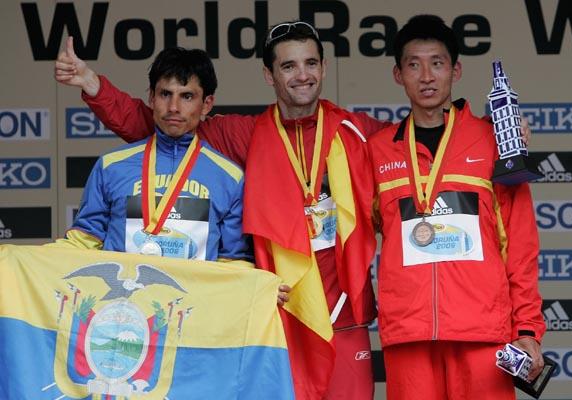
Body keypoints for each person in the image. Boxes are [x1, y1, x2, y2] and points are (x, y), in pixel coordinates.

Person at [54, 21, 532, 400]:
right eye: (287, 66)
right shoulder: (244, 134)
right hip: (278, 317)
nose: (300, 75)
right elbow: (163, 123)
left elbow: (429, 138)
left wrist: (497, 135)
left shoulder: (361, 133)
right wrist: (95, 86)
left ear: (323, 68)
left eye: (309, 64)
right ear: (269, 75)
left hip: (345, 318)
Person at [367, 15, 545, 399]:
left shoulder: (492, 141)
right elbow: (358, 236)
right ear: (398, 74)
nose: (426, 76)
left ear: (456, 70)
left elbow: (520, 243)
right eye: (414, 64)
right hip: (409, 334)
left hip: (482, 333)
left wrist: (527, 330)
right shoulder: (377, 149)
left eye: (437, 63)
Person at [53, 43, 253, 266]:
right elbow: (84, 241)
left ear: (206, 104)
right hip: (126, 296)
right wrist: (27, 262)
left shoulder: (230, 177)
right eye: (165, 94)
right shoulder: (110, 166)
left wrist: (261, 288)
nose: (174, 107)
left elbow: (233, 263)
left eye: (187, 96)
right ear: (151, 98)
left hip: (196, 300)